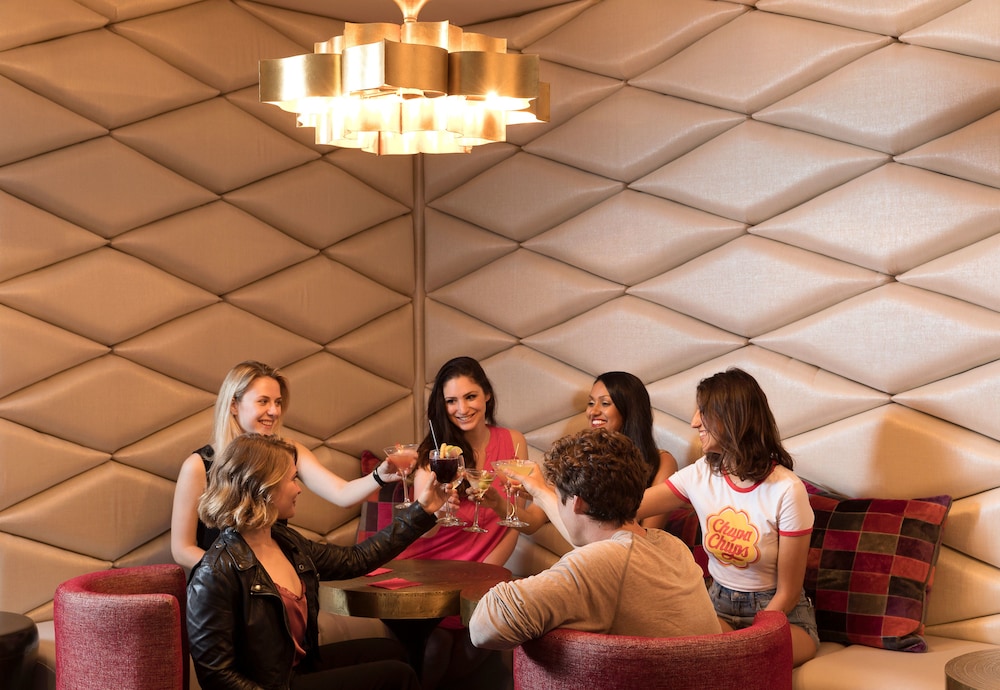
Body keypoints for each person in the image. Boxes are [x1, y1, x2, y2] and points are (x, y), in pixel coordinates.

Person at [187, 433, 450, 690]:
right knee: (397, 675)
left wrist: (423, 510)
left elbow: (356, 560)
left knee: (392, 651)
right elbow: (215, 675)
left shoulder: (284, 541)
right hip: (274, 685)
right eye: (292, 479)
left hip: (294, 669)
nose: (299, 488)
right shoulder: (214, 572)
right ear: (264, 487)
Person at [469, 427, 721, 649]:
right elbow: (600, 548)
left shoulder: (599, 564)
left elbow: (483, 627)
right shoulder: (672, 546)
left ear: (576, 503)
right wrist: (541, 491)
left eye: (560, 498)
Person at [636, 367, 819, 666]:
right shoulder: (700, 474)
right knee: (684, 654)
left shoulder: (787, 490)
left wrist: (752, 639)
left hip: (780, 614)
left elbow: (788, 592)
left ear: (733, 418)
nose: (694, 421)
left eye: (704, 411)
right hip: (717, 606)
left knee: (738, 661)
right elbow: (632, 507)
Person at [171, 360, 405, 570]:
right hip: (219, 590)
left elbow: (342, 494)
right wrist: (236, 575)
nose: (274, 411)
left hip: (275, 584)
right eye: (263, 401)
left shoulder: (289, 452)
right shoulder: (199, 465)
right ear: (234, 405)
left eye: (278, 402)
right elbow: (182, 549)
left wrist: (380, 475)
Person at [399, 356, 544, 689]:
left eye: (470, 396)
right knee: (436, 648)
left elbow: (518, 522)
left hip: (481, 569)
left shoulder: (513, 442)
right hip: (427, 570)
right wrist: (436, 512)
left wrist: (484, 576)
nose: (462, 409)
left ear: (487, 395)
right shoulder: (434, 454)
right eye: (451, 401)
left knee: (478, 642)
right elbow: (422, 531)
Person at [586, 371, 678, 529]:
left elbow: (649, 533)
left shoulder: (662, 462)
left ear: (629, 409)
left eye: (605, 403)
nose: (593, 411)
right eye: (591, 403)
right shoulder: (581, 458)